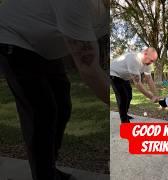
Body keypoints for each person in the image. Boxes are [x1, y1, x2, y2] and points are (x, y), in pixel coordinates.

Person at [0, 0, 107, 179]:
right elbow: (89, 69)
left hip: (43, 47)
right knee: (42, 111)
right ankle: (44, 175)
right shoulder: (77, 4)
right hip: (12, 36)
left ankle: (48, 169)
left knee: (62, 105)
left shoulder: (107, 9)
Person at [110, 47, 158, 123]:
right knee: (123, 98)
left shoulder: (147, 63)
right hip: (114, 74)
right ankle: (125, 122)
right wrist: (151, 97)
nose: (151, 63)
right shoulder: (134, 59)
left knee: (129, 96)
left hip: (124, 77)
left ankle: (124, 113)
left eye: (153, 61)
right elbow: (138, 84)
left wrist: (156, 95)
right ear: (145, 53)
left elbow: (149, 79)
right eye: (151, 60)